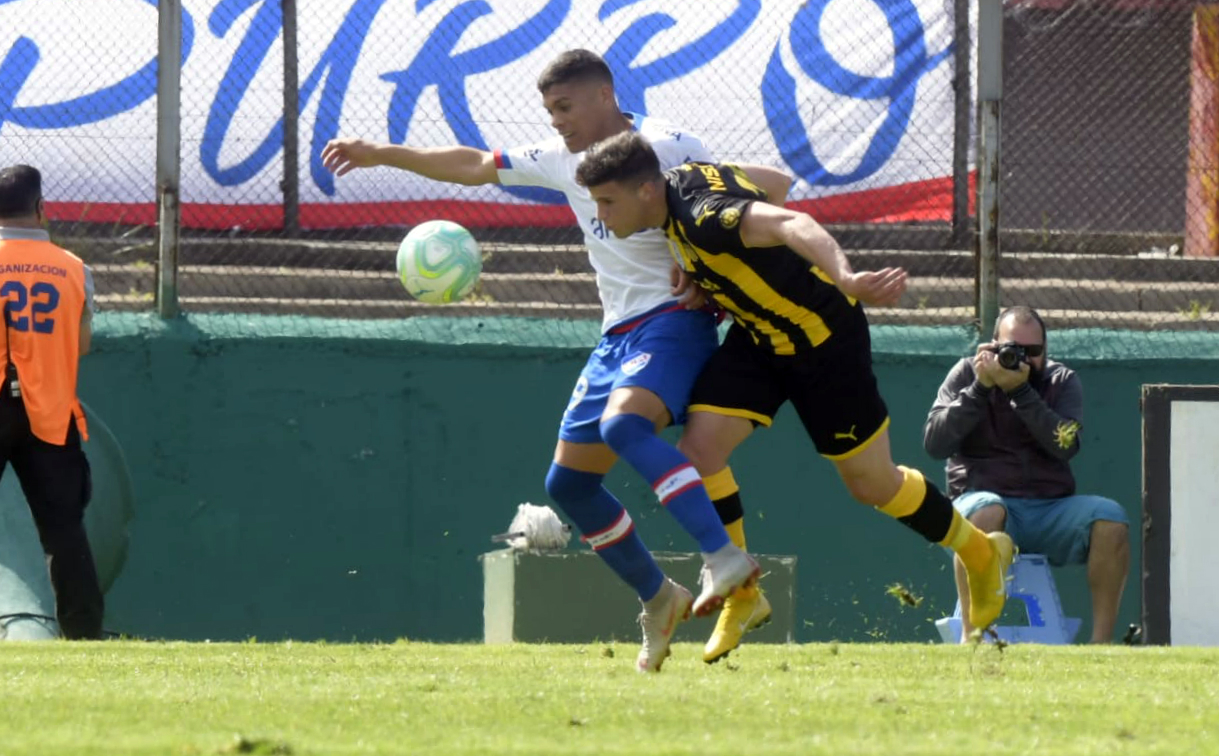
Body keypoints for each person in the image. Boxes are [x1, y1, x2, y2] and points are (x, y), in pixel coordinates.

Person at [322, 50, 781, 672]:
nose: (556, 121)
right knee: (569, 484)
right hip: (616, 337)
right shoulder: (564, 160)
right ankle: (659, 598)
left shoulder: (669, 146)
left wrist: (709, 272)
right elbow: (477, 165)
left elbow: (771, 190)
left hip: (674, 326)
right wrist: (381, 152)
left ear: (603, 96)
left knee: (625, 429)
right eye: (549, 110)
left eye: (564, 107)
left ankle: (722, 558)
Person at [574, 130, 1016, 650]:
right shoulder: (678, 190)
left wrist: (846, 277)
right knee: (698, 450)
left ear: (647, 190)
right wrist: (703, 271)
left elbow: (790, 221)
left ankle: (981, 551)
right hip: (759, 339)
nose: (600, 216)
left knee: (872, 485)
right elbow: (774, 183)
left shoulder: (704, 217)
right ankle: (742, 593)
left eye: (607, 201)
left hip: (824, 341)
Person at [923, 306, 1130, 643]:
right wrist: (980, 389)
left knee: (1111, 520)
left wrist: (1021, 393)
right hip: (979, 505)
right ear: (992, 345)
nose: (1023, 360)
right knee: (989, 509)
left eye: (1033, 352)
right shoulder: (965, 374)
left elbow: (1066, 445)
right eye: (1013, 350)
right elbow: (934, 443)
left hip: (1048, 509)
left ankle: (1101, 645)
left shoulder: (1061, 381)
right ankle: (972, 636)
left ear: (1045, 351)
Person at [0, 164, 104, 639]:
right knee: (62, 530)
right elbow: (81, 345)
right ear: (41, 208)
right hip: (50, 412)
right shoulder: (74, 269)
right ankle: (82, 637)